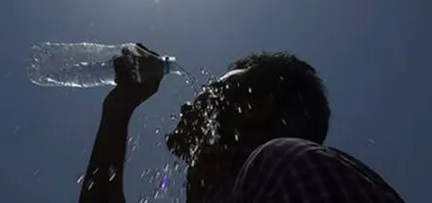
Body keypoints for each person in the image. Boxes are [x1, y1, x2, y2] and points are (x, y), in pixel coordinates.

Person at [78, 44, 405, 203]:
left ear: (255, 108)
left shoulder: (284, 165)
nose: (188, 104)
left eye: (213, 91)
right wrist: (118, 109)